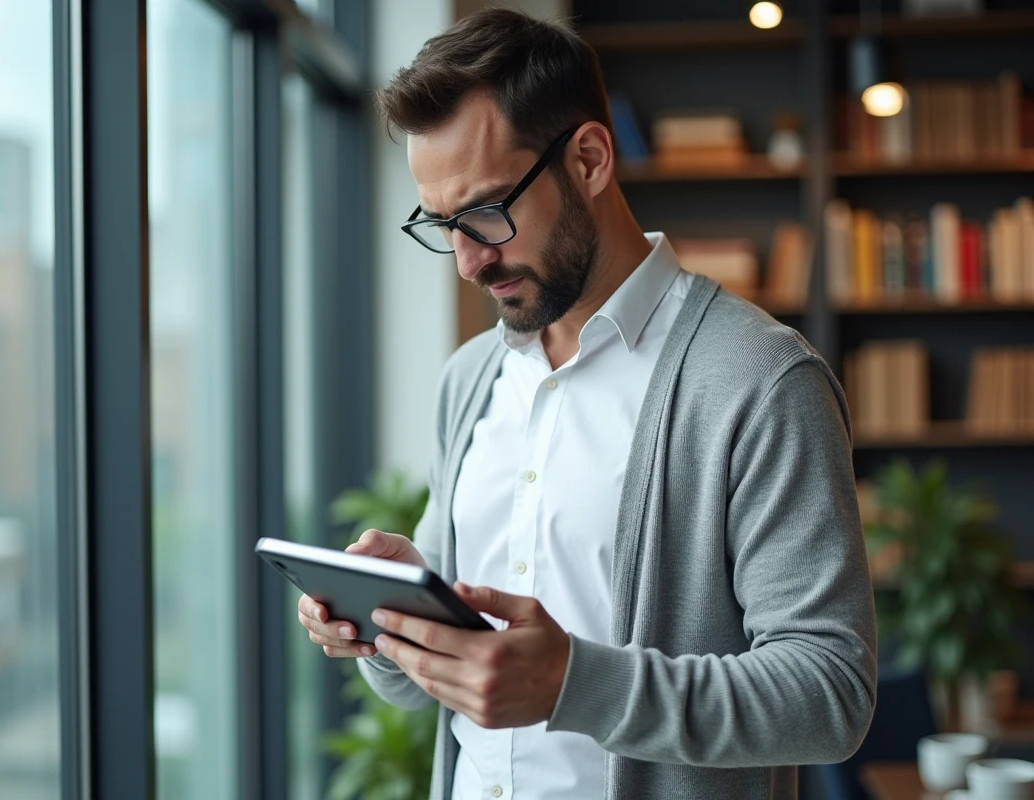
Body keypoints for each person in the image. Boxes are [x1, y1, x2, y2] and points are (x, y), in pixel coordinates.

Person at [297, 8, 876, 799]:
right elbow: (440, 689)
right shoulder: (470, 381)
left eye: (486, 212)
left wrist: (576, 682)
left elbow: (830, 693)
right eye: (442, 225)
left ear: (591, 159)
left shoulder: (760, 381)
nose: (467, 261)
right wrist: (393, 618)